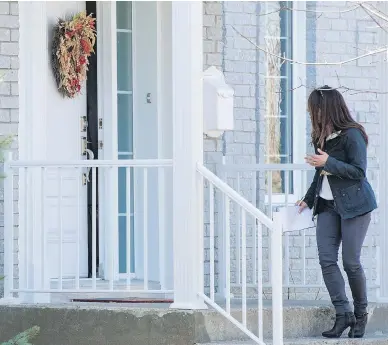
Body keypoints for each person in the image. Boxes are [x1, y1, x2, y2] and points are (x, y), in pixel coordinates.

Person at [297, 86, 377, 339]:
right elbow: (319, 174)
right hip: (327, 206)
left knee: (351, 262)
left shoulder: (353, 135)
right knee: (326, 260)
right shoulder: (320, 135)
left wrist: (328, 162)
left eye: (316, 109)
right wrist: (308, 199)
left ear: (328, 108)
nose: (313, 114)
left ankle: (361, 315)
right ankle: (343, 315)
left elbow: (358, 172)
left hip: (356, 207)